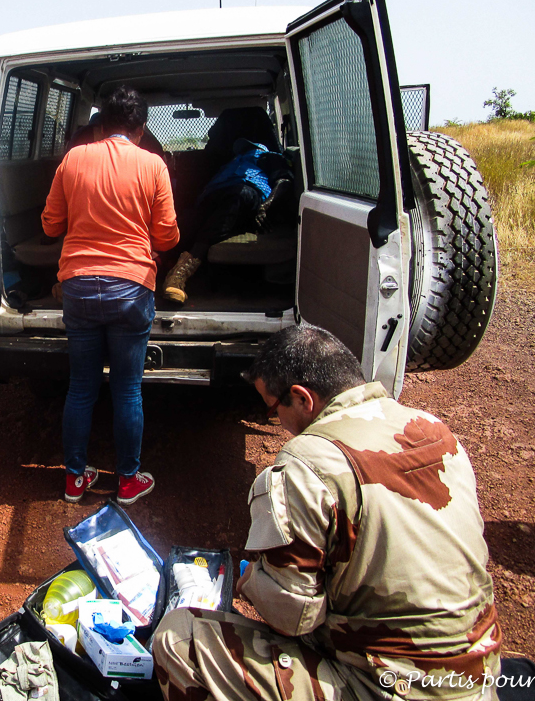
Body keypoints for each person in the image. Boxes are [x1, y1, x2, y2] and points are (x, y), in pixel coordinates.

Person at [153, 324, 501, 700]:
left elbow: (293, 618)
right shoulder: (432, 428)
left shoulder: (307, 463)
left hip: (387, 684)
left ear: (302, 398)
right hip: (478, 673)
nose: (277, 422)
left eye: (273, 410)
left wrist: (254, 580)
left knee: (178, 637)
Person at [41, 86, 179, 505]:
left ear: (100, 123)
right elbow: (168, 236)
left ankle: (73, 479)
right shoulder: (153, 165)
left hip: (79, 287)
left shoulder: (73, 159)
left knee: (81, 387)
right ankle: (127, 481)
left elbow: (49, 225)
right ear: (140, 129)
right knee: (127, 389)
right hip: (131, 289)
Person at [161, 137, 292, 304]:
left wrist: (266, 206)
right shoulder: (228, 163)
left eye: (250, 147)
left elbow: (284, 181)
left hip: (247, 193)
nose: (246, 150)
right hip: (213, 197)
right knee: (184, 221)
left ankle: (180, 274)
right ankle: (156, 269)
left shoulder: (269, 157)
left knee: (236, 196)